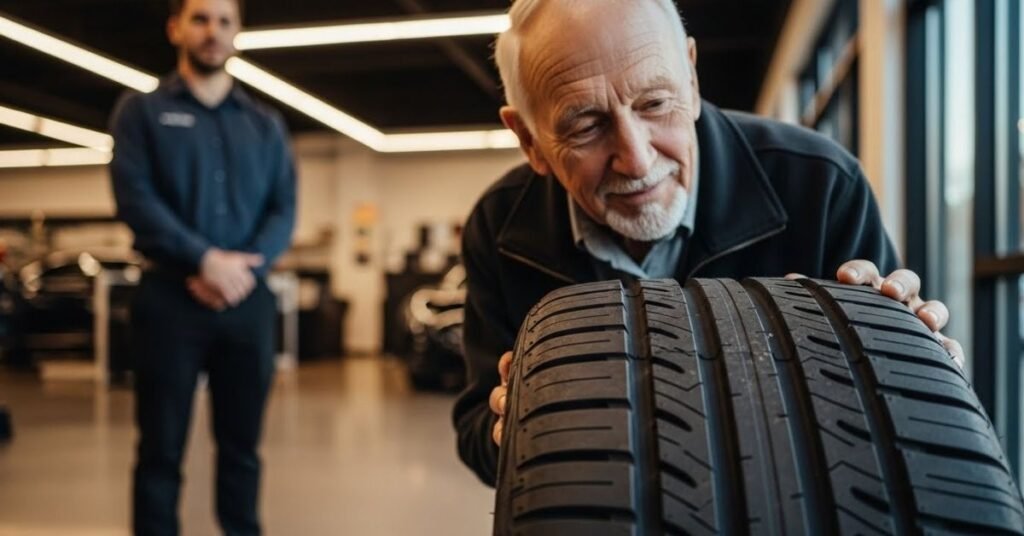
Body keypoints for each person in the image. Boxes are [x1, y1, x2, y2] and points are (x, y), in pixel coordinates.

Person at [452, 0, 965, 486]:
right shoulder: (499, 230)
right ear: (528, 140)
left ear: (692, 78)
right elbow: (477, 432)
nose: (636, 159)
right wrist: (516, 423)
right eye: (586, 125)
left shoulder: (821, 187)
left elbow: (897, 446)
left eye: (654, 103)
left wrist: (908, 366)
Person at [108, 0, 295, 533]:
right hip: (168, 300)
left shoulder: (266, 125)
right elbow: (135, 200)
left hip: (247, 303)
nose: (212, 31)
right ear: (175, 28)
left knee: (242, 450)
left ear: (237, 34)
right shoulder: (140, 113)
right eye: (199, 18)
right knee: (160, 450)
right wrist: (205, 260)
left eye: (224, 21)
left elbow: (284, 209)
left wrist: (241, 273)